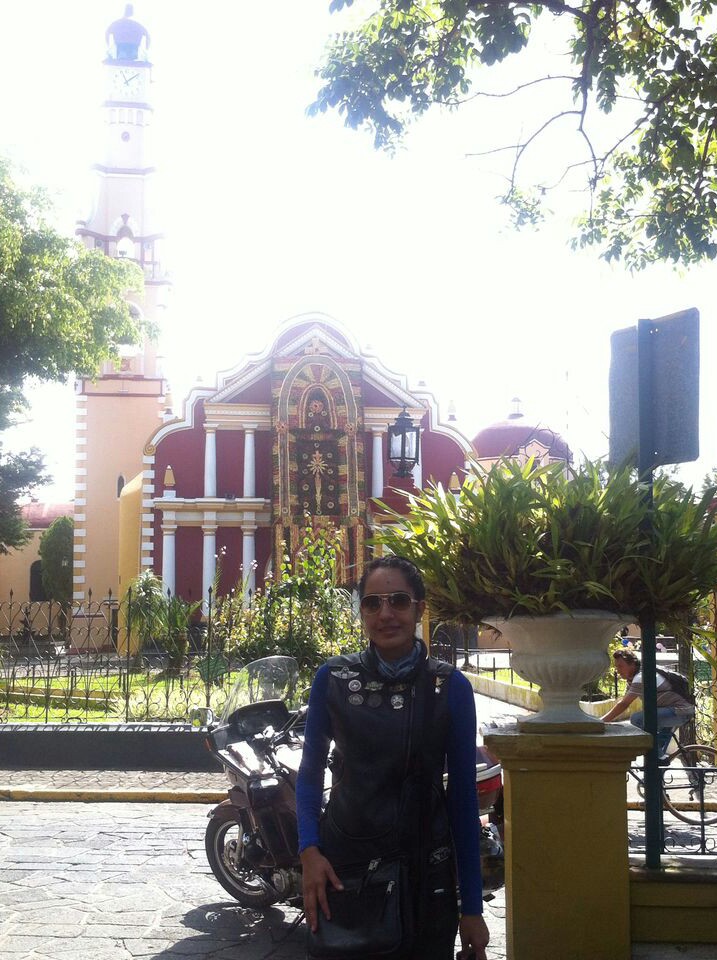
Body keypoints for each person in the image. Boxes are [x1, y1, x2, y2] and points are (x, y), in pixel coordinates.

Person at [296, 555, 489, 960]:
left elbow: (462, 800)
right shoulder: (333, 679)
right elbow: (310, 774)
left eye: (399, 601)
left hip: (426, 875)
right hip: (347, 872)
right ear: (362, 612)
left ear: (420, 609)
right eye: (372, 603)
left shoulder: (449, 687)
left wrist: (471, 908)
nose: (385, 614)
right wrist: (309, 852)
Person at [602, 650, 695, 757]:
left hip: (678, 712)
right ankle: (660, 761)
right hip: (670, 710)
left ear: (632, 665)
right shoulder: (636, 677)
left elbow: (624, 704)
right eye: (616, 667)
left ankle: (658, 759)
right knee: (657, 744)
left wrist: (602, 721)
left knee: (637, 719)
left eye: (620, 666)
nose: (618, 670)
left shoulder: (641, 678)